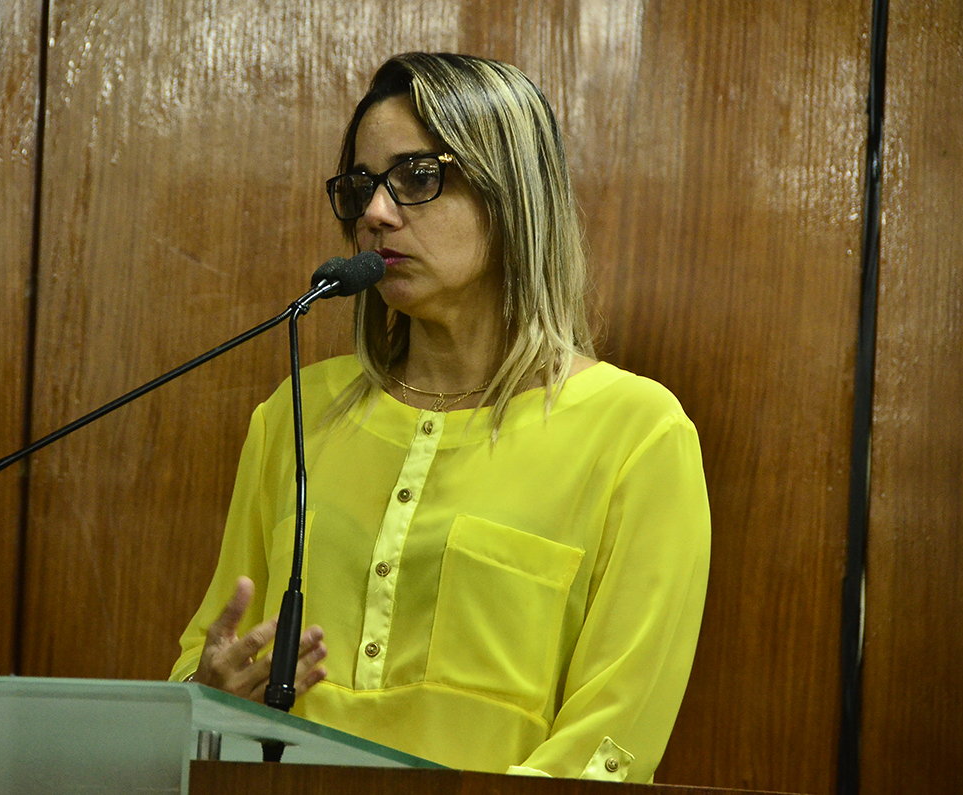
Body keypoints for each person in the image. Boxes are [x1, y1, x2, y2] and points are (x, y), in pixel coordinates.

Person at [170, 52, 710, 783]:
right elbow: (205, 658)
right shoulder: (296, 414)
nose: (375, 213)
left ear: (512, 193)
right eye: (361, 186)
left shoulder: (637, 433)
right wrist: (206, 695)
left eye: (418, 178)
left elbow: (610, 738)